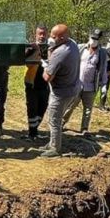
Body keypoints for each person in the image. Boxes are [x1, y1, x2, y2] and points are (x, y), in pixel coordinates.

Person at [41, 24, 80, 157]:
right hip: (72, 88)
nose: (50, 39)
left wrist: (45, 65)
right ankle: (52, 142)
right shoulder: (72, 44)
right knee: (55, 118)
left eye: (53, 37)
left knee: (54, 120)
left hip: (61, 93)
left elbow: (47, 77)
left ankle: (55, 148)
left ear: (62, 38)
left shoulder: (60, 53)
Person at [63, 28, 109, 136]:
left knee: (88, 109)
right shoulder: (81, 48)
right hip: (77, 84)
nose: (93, 41)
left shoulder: (102, 53)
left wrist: (104, 85)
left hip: (91, 86)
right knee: (71, 105)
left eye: (96, 39)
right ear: (89, 37)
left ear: (99, 40)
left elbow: (103, 69)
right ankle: (62, 123)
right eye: (92, 38)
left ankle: (84, 128)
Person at [23, 24, 50, 141]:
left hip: (45, 84)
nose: (42, 36)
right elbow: (25, 62)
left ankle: (35, 130)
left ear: (47, 34)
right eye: (40, 34)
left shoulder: (50, 48)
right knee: (32, 108)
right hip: (32, 83)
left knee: (42, 107)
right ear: (36, 34)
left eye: (44, 34)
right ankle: (32, 133)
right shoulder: (30, 47)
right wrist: (35, 50)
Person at [99, 36, 110, 110]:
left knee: (104, 92)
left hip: (106, 77)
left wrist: (105, 77)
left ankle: (101, 105)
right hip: (99, 76)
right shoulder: (102, 57)